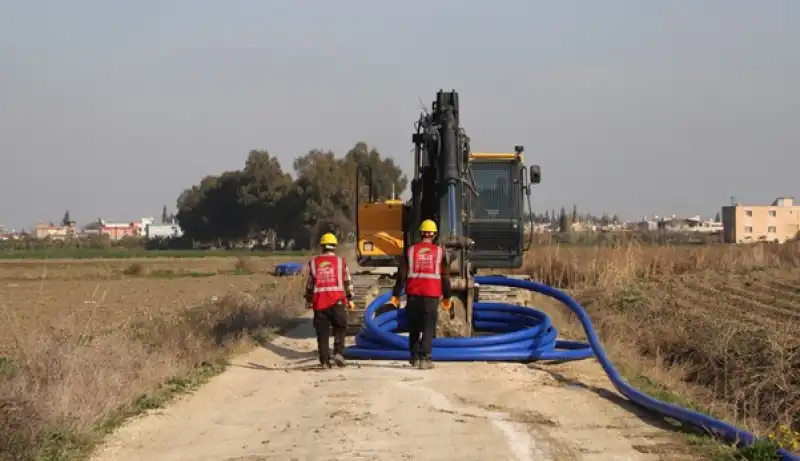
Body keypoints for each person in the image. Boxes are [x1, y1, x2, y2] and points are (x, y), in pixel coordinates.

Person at [390, 219, 452, 369]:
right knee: (428, 327)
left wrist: (396, 294)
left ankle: (414, 357)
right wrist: (447, 296)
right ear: (434, 235)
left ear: (420, 233)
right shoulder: (439, 253)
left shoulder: (411, 251)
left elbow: (402, 275)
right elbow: (445, 277)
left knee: (414, 327)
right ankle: (425, 358)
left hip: (413, 295)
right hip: (431, 295)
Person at [305, 232, 355, 369]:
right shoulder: (340, 262)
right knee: (340, 328)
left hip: (320, 303)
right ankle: (339, 353)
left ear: (322, 246)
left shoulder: (314, 262)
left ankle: (325, 361)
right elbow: (347, 281)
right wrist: (350, 298)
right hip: (337, 302)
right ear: (334, 246)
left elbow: (310, 284)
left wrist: (309, 299)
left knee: (323, 333)